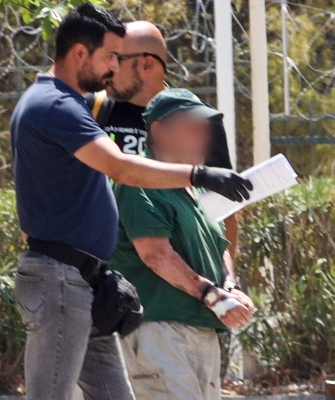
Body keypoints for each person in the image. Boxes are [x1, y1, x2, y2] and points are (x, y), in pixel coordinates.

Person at [10, 4, 253, 400]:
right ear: (80, 54)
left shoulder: (66, 103)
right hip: (61, 278)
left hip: (87, 281)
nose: (112, 68)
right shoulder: (56, 105)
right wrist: (199, 175)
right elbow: (121, 167)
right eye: (110, 56)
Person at [111, 89, 255, 400]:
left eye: (205, 128)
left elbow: (218, 248)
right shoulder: (139, 181)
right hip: (157, 331)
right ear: (159, 131)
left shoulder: (195, 189)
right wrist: (210, 294)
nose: (204, 136)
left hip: (200, 327)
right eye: (193, 128)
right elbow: (156, 255)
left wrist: (229, 286)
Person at [86, 21, 241, 259]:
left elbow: (224, 204)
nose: (109, 68)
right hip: (104, 260)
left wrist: (225, 275)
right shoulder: (92, 108)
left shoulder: (197, 119)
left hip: (174, 263)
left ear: (147, 64)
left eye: (117, 59)